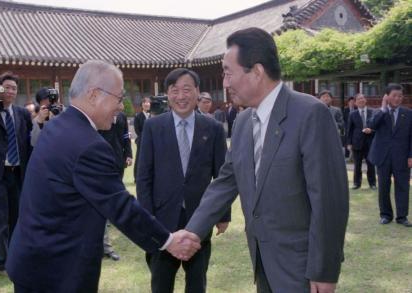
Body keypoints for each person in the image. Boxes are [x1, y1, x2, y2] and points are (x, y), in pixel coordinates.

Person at [6, 60, 200, 293]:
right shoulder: (88, 145)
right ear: (94, 95)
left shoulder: (58, 125)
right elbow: (120, 206)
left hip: (34, 260)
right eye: (119, 98)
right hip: (57, 272)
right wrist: (168, 241)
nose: (121, 107)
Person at [181, 28, 349, 292]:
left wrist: (324, 270)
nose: (224, 83)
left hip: (301, 268)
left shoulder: (310, 114)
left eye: (227, 72)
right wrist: (193, 231)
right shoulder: (244, 122)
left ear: (256, 71)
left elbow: (328, 200)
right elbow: (226, 181)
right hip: (262, 262)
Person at [137, 68, 229, 293]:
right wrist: (147, 217)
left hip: (199, 219)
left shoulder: (213, 128)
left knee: (197, 283)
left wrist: (223, 215)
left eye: (187, 89)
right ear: (167, 94)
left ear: (197, 92)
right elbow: (143, 176)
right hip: (161, 221)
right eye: (174, 90)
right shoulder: (153, 127)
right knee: (160, 283)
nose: (181, 96)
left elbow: (223, 176)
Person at [0, 72, 33, 275]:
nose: (11, 91)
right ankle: (1, 263)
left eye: (14, 88)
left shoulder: (22, 114)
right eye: (7, 87)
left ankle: (15, 255)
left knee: (16, 218)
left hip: (18, 173)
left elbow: (28, 143)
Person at [368, 83, 412, 227]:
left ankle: (402, 216)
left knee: (403, 186)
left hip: (402, 157)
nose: (398, 98)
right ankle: (386, 215)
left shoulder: (408, 113)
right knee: (384, 186)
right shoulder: (379, 112)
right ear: (387, 96)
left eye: (400, 96)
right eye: (394, 95)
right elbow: (372, 125)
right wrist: (383, 108)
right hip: (383, 156)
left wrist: (411, 156)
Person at [98, 109, 133, 261]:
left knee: (116, 195)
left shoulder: (121, 116)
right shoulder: (97, 114)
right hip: (99, 159)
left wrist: (129, 154)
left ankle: (112, 223)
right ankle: (103, 246)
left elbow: (125, 136)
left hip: (117, 159)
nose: (120, 104)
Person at [346, 93, 376, 190]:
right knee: (357, 165)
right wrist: (349, 143)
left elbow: (377, 127)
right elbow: (349, 129)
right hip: (357, 143)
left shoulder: (373, 112)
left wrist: (371, 130)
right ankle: (356, 183)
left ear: (365, 100)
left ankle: (372, 184)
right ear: (355, 102)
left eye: (363, 98)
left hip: (370, 142)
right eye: (359, 99)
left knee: (371, 164)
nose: (361, 100)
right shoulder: (352, 114)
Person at [133, 96, 151, 179]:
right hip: (142, 140)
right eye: (145, 102)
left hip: (152, 140)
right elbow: (137, 130)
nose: (147, 104)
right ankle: (137, 177)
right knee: (139, 159)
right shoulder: (138, 116)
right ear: (142, 105)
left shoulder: (152, 116)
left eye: (148, 102)